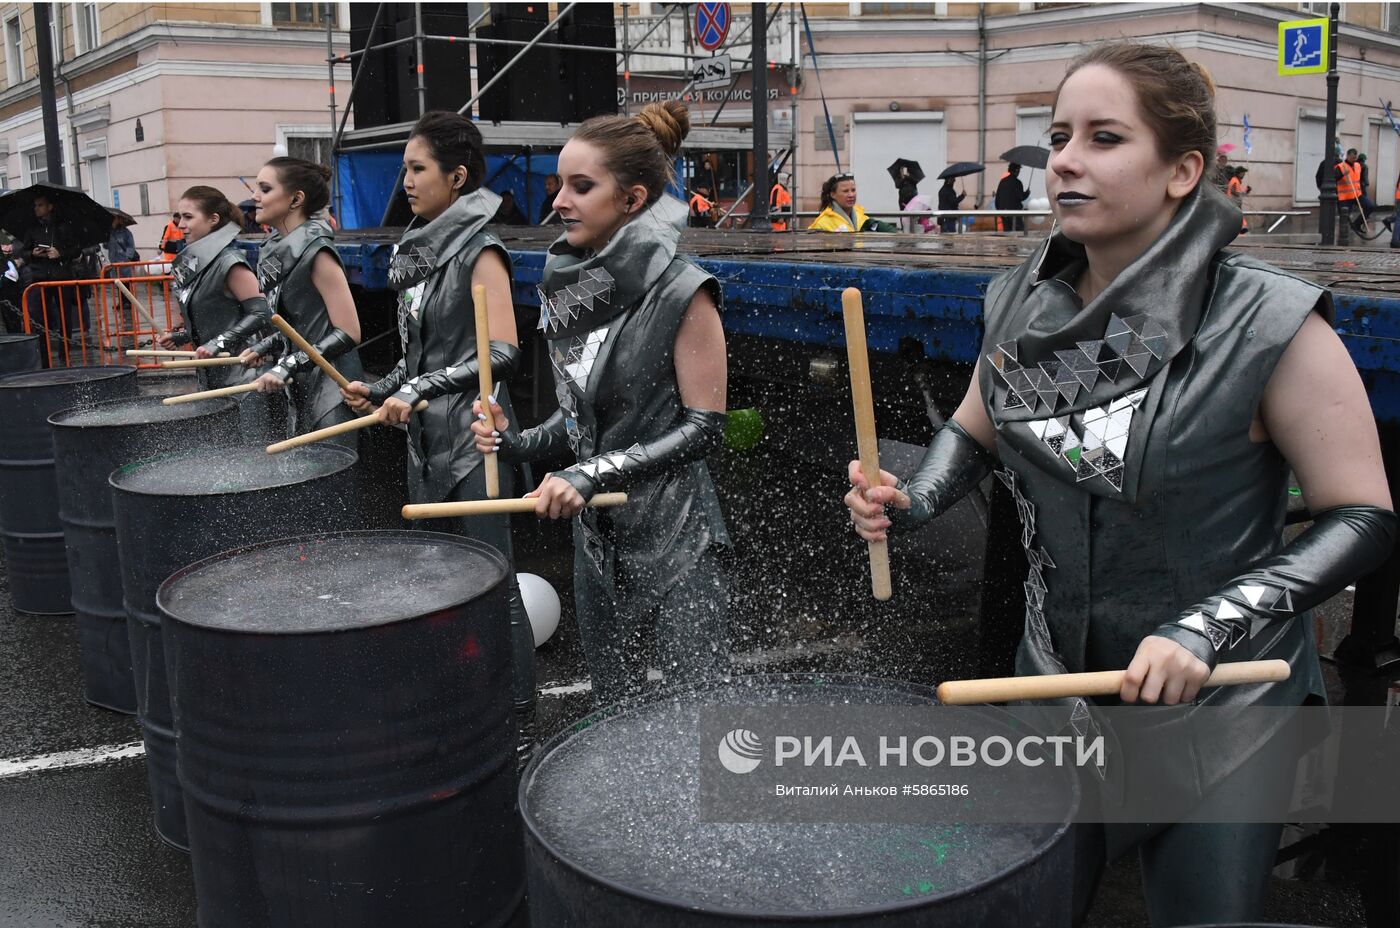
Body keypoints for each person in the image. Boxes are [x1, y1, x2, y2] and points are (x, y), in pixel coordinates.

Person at [843, 42, 1393, 927]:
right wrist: (911, 498)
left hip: (1224, 709)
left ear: (1183, 170)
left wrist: (1208, 628)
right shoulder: (1016, 299)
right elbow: (971, 433)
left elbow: (1364, 514)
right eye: (1060, 135)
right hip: (1051, 693)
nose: (1064, 158)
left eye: (1104, 138)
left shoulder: (1269, 322)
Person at [472, 100, 731, 707]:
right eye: (560, 183)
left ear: (633, 199)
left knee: (699, 722)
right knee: (613, 715)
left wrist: (590, 473)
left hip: (679, 543)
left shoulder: (685, 290)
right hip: (599, 543)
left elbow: (704, 430)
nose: (558, 200)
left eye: (580, 187)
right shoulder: (573, 286)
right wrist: (513, 444)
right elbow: (581, 426)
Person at [338, 111, 536, 760]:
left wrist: (417, 390)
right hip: (426, 439)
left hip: (475, 442)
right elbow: (419, 353)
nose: (407, 181)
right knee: (437, 577)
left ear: (457, 175)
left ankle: (518, 714)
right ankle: (455, 696)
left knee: (492, 580)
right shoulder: (420, 248)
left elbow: (503, 350)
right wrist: (383, 384)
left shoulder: (480, 246)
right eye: (404, 169)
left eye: (417, 168)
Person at [242, 156, 364, 440]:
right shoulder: (276, 248)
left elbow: (349, 332)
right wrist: (265, 346)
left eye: (265, 188)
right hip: (302, 386)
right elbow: (295, 326)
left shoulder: (318, 252)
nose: (254, 196)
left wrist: (288, 364)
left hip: (333, 392)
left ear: (296, 199)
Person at [18, 192, 86, 335]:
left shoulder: (63, 226)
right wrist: (33, 253)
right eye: (35, 205)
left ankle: (64, 353)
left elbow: (76, 249)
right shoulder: (32, 228)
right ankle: (44, 352)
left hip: (61, 277)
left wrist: (60, 253)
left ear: (50, 206)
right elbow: (24, 251)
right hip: (40, 278)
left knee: (64, 316)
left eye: (40, 205)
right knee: (40, 317)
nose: (36, 208)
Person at [810, 174, 897, 232]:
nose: (851, 195)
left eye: (853, 190)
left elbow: (887, 230)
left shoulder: (860, 217)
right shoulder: (821, 224)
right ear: (833, 194)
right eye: (845, 191)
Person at [1335, 147, 1361, 245]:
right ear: (1348, 156)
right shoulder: (1341, 166)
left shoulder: (1358, 165)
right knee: (1344, 216)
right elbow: (1335, 177)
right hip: (1343, 196)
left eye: (1355, 157)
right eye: (1352, 157)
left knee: (1348, 215)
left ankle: (1346, 233)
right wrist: (1343, 174)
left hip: (1354, 194)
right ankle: (1342, 236)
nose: (1354, 159)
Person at [994, 163, 1030, 232]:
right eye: (1019, 170)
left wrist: (1000, 209)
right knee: (1020, 231)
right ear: (1016, 171)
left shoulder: (1002, 181)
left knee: (1007, 232)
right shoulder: (1017, 183)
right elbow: (1021, 197)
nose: (1019, 172)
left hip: (1003, 211)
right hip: (1015, 212)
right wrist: (1027, 193)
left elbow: (997, 198)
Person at [1226, 165, 1250, 234]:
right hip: (1233, 202)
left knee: (1237, 216)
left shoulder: (1237, 181)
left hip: (1236, 202)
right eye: (1243, 173)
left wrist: (1246, 191)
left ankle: (1240, 228)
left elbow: (1239, 193)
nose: (1244, 174)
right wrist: (1237, 194)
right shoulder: (1234, 180)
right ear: (1238, 173)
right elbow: (1233, 190)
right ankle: (1241, 228)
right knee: (1237, 216)